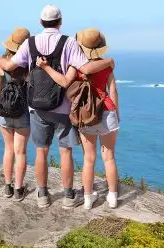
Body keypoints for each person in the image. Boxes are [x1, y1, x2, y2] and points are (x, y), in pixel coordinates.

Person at [0, 5, 114, 209]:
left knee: (41, 151)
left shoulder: (30, 43)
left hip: (37, 108)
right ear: (60, 22)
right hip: (64, 107)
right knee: (65, 151)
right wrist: (109, 62)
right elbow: (85, 68)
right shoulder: (69, 42)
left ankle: (42, 194)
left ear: (41, 22)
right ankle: (68, 196)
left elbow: (8, 66)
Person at [36, 28, 120, 209]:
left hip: (85, 115)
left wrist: (45, 67)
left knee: (89, 158)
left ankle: (88, 199)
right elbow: (112, 91)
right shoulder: (107, 66)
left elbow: (65, 83)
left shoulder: (76, 66)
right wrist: (117, 113)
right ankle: (112, 197)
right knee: (109, 158)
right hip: (107, 112)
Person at [0, 28, 31, 202]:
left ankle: (7, 187)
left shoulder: (1, 63)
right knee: (21, 152)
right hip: (23, 113)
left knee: (8, 149)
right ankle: (18, 189)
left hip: (3, 112)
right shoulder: (28, 64)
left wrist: (1, 106)